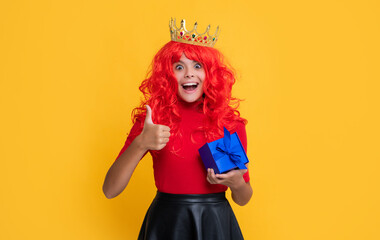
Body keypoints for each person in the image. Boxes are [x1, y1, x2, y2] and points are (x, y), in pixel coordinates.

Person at [103, 18, 253, 240]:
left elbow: (243, 198)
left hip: (216, 224)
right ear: (167, 75)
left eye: (198, 66)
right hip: (167, 223)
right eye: (179, 67)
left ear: (210, 74)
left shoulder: (228, 124)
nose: (189, 74)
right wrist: (141, 142)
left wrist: (236, 182)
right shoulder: (152, 122)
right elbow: (110, 190)